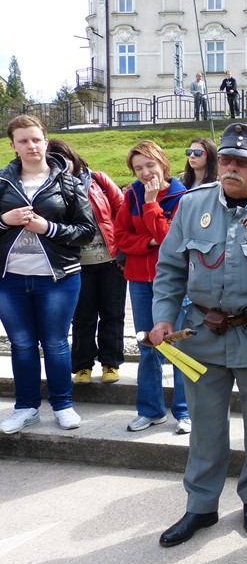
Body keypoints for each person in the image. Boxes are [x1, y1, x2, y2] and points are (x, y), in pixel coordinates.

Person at [151, 122, 247, 546]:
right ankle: (201, 505)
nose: (231, 168)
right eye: (227, 160)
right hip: (201, 335)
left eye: (243, 162)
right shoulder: (192, 204)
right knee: (206, 427)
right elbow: (170, 269)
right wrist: (163, 317)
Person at [0, 115, 95, 434]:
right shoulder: (2, 182)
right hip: (9, 279)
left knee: (55, 343)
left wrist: (48, 228)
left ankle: (62, 405)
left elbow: (86, 232)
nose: (31, 145)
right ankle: (26, 407)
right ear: (12, 146)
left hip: (59, 278)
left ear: (46, 141)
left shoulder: (68, 183)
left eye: (36, 139)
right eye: (23, 140)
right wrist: (5, 220)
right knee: (21, 343)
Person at [114, 140, 190, 434]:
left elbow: (171, 241)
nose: (145, 173)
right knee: (147, 346)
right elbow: (120, 237)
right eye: (138, 168)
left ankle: (184, 411)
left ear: (163, 164)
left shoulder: (181, 197)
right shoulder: (130, 194)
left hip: (174, 283)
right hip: (140, 281)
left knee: (179, 346)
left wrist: (150, 205)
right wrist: (148, 242)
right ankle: (150, 410)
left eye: (150, 165)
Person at [47, 139, 126, 386]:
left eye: (63, 156)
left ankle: (111, 363)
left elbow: (122, 212)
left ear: (73, 156)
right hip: (76, 264)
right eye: (53, 158)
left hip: (111, 260)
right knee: (82, 317)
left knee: (113, 313)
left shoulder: (98, 180)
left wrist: (123, 252)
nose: (60, 162)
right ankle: (83, 366)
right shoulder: (51, 188)